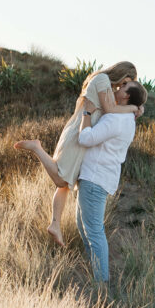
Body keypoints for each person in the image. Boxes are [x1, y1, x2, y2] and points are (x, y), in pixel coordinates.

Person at [14, 61, 144, 246]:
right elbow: (110, 110)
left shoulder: (109, 88)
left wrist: (138, 106)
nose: (123, 87)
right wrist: (133, 108)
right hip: (78, 134)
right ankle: (37, 147)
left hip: (85, 134)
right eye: (126, 82)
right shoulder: (102, 80)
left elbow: (122, 104)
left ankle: (55, 224)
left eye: (127, 84)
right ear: (121, 73)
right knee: (60, 179)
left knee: (66, 182)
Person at [73, 80, 147, 283]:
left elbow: (86, 139)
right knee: (84, 226)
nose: (117, 88)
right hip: (99, 177)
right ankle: (95, 271)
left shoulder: (116, 119)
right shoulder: (128, 119)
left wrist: (86, 114)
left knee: (94, 231)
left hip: (95, 178)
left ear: (126, 97)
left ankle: (101, 284)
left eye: (122, 87)